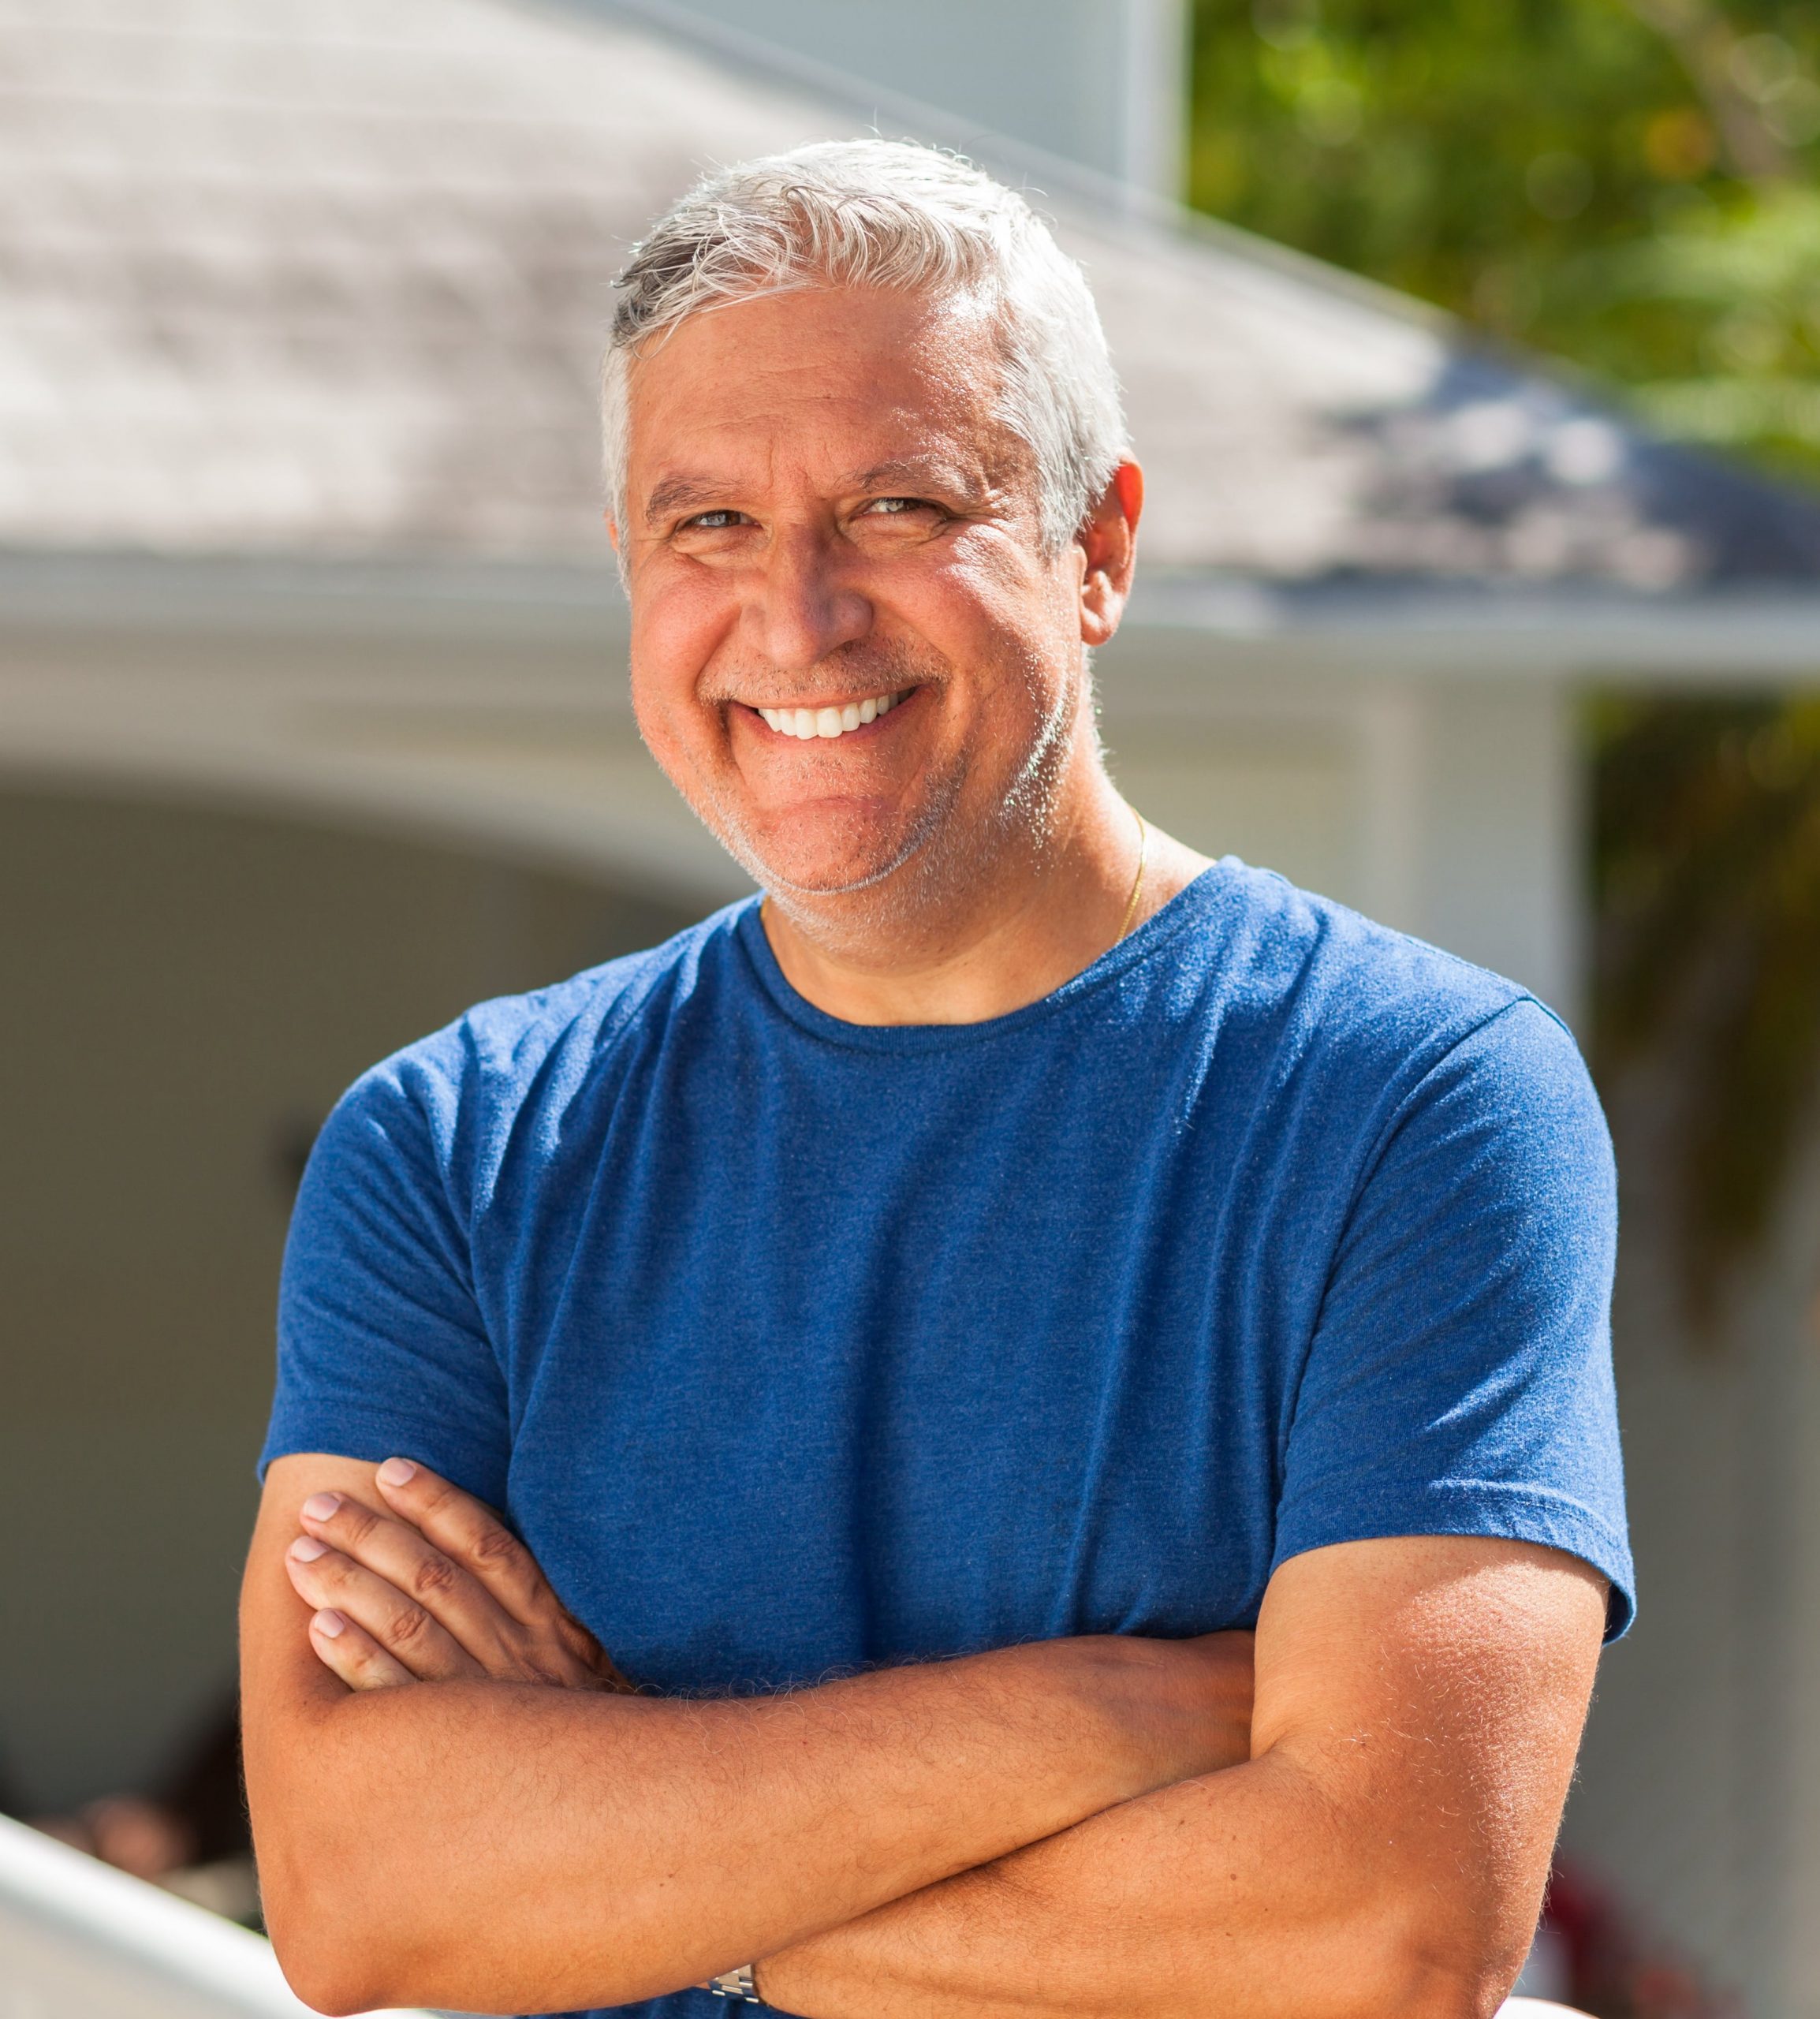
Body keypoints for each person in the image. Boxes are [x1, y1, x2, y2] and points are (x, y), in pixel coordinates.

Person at [240, 140, 1630, 2019]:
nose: (794, 617)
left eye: (898, 505)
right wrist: (1120, 1705)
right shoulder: (460, 1150)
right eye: (705, 525)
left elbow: (1378, 1924)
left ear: (1099, 546)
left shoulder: (1408, 1101)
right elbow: (357, 1893)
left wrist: (636, 1849)